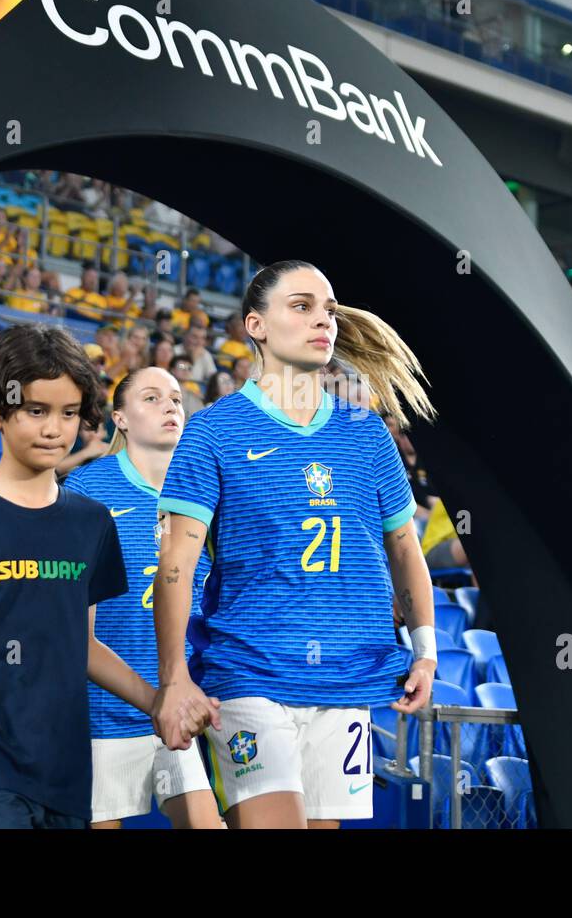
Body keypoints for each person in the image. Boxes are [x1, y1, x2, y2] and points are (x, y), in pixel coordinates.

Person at [0, 325, 212, 829]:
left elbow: (81, 644)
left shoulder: (90, 522)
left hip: (65, 768)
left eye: (69, 413)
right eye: (36, 410)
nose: (55, 428)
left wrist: (157, 699)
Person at [152, 260, 438, 828]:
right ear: (256, 326)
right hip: (250, 674)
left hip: (347, 679)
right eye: (302, 307)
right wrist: (174, 677)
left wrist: (426, 649)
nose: (323, 321)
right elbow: (175, 565)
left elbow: (406, 549)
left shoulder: (367, 433)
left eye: (329, 309)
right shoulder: (214, 431)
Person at [64, 367, 218, 828]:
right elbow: (76, 634)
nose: (171, 406)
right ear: (121, 419)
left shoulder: (206, 490)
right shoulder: (88, 492)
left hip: (184, 712)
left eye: (175, 398)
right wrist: (156, 700)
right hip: (103, 717)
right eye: (151, 398)